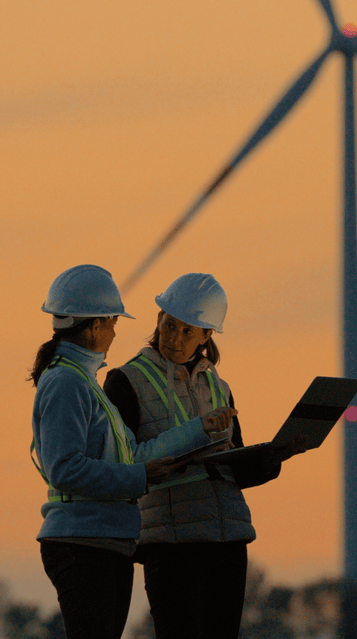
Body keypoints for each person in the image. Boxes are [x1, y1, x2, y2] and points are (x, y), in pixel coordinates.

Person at [30, 265, 233, 639]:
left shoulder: (81, 381)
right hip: (83, 541)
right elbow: (65, 468)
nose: (114, 331)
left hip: (105, 541)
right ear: (94, 326)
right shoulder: (67, 383)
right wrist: (140, 477)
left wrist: (199, 429)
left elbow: (136, 455)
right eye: (112, 322)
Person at [103, 272, 307, 639]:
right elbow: (124, 462)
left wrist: (274, 457)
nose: (175, 338)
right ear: (159, 320)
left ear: (207, 335)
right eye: (170, 325)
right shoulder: (124, 381)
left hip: (228, 538)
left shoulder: (219, 386)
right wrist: (196, 433)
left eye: (188, 331)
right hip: (171, 544)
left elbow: (235, 469)